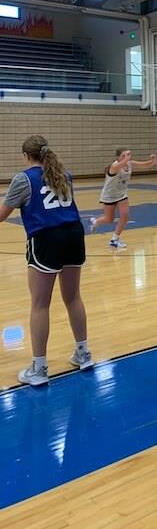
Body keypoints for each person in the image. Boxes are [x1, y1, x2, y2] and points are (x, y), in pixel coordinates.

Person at [0, 135, 92, 386]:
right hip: (74, 234)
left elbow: (1, 214)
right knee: (73, 297)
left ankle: (39, 369)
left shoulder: (24, 178)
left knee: (40, 304)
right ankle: (83, 354)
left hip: (47, 238)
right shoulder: (65, 174)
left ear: (26, 156)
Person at [90, 148, 157, 248]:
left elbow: (147, 165)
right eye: (124, 155)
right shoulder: (114, 166)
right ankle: (96, 222)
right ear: (118, 157)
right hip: (109, 196)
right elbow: (120, 164)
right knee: (109, 219)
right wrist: (126, 159)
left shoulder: (129, 164)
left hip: (122, 195)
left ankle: (114, 239)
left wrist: (154, 160)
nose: (127, 157)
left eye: (128, 154)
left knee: (125, 215)